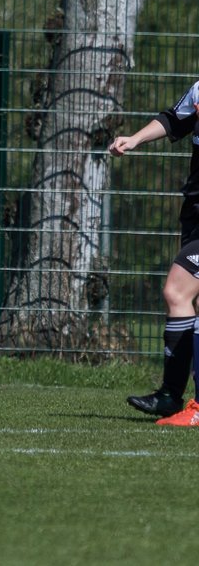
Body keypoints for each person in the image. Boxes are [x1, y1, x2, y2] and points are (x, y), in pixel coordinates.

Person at [109, 84, 199, 421]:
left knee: (177, 290)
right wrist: (134, 139)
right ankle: (173, 398)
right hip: (193, 210)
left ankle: (174, 397)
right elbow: (174, 120)